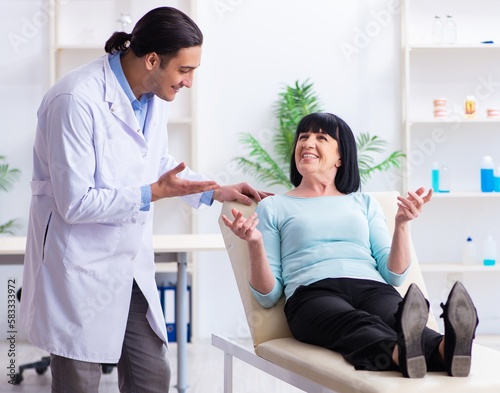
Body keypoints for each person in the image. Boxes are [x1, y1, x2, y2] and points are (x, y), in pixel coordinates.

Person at [20, 7, 268, 393]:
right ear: (153, 59)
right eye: (184, 71)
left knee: (152, 376)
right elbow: (75, 203)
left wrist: (214, 191)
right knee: (80, 385)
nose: (189, 82)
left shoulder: (152, 98)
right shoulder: (75, 99)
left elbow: (159, 165)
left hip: (130, 264)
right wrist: (151, 194)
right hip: (80, 269)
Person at [222, 112, 479, 378]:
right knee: (357, 324)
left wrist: (401, 224)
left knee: (398, 317)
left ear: (341, 157)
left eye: (321, 137)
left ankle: (445, 346)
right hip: (312, 294)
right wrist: (254, 243)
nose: (308, 143)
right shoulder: (274, 206)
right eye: (303, 137)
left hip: (372, 287)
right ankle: (405, 351)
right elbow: (268, 296)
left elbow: (394, 274)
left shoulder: (364, 204)